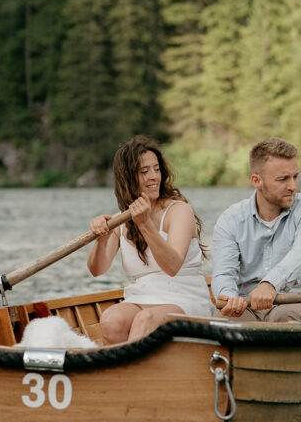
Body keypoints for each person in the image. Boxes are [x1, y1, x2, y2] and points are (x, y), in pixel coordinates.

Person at [88, 136, 214, 343]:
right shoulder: (121, 221)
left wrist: (145, 225)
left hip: (186, 298)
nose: (154, 176)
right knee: (111, 319)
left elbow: (172, 266)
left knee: (144, 320)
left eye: (156, 169)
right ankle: (123, 371)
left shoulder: (179, 211)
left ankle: (129, 374)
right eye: (144, 172)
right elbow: (97, 270)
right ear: (128, 178)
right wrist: (100, 238)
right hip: (142, 297)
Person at [212, 137, 301, 322]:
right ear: (257, 181)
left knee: (286, 316)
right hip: (247, 306)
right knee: (224, 321)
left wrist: (270, 284)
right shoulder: (230, 219)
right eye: (283, 179)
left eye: (295, 177)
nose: (293, 187)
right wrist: (228, 296)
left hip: (296, 302)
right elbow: (224, 272)